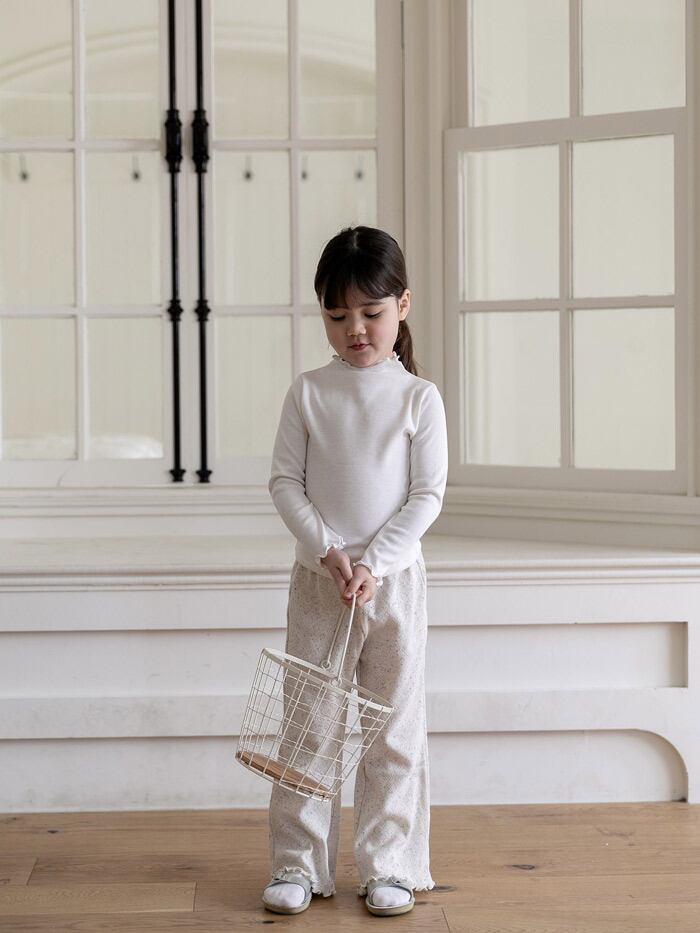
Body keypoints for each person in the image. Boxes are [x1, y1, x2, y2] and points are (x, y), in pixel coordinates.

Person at [263, 225, 448, 917]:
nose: (356, 330)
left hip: (394, 586)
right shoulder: (309, 392)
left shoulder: (419, 398)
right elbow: (286, 482)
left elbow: (427, 496)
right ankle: (297, 862)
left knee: (392, 727)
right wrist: (329, 551)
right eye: (337, 315)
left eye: (371, 312)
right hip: (322, 584)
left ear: (402, 305)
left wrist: (374, 561)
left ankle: (390, 863)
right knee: (308, 723)